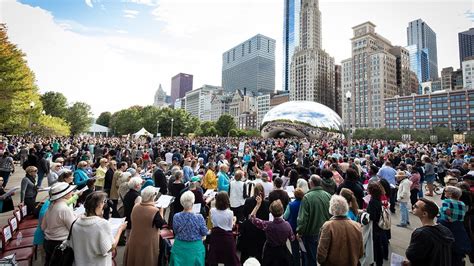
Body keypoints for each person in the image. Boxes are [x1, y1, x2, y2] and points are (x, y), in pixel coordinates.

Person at [70, 191, 127, 266]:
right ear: (99, 205)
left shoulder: (75, 223)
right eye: (104, 202)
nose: (105, 205)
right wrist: (120, 230)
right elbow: (111, 247)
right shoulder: (102, 224)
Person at [124, 186, 167, 266]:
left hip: (135, 239)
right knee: (147, 260)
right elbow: (162, 224)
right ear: (152, 197)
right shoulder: (154, 211)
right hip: (148, 243)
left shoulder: (136, 206)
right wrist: (161, 211)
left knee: (135, 260)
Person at [405, 198, 455, 266]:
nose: (413, 206)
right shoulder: (445, 230)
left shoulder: (421, 233)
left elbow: (411, 255)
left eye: (416, 206)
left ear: (424, 214)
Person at [317, 195, 364, 266]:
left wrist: (321, 261)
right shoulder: (356, 226)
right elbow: (360, 252)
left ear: (331, 208)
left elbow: (322, 252)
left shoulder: (328, 226)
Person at [297, 175, 331, 266]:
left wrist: (299, 231)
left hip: (311, 234)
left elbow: (303, 219)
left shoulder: (307, 197)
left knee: (311, 258)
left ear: (311, 183)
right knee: (324, 257)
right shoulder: (328, 196)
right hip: (325, 232)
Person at [249, 197, 294, 266]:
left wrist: (258, 205)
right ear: (282, 211)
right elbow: (292, 238)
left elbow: (251, 218)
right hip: (282, 251)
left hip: (270, 251)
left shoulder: (267, 225)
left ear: (271, 212)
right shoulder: (287, 225)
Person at [41, 182, 77, 266]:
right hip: (60, 244)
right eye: (70, 191)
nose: (72, 193)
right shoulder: (64, 209)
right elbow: (73, 229)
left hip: (48, 242)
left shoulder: (51, 206)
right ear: (65, 195)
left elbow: (43, 227)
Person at [170, 191, 208, 266]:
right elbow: (204, 232)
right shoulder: (199, 217)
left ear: (182, 203)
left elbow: (176, 231)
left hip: (179, 247)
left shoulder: (176, 216)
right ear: (193, 203)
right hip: (195, 248)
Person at [438, 186, 471, 265]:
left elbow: (447, 210)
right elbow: (464, 212)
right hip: (459, 225)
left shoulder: (447, 201)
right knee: (457, 243)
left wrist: (449, 218)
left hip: (446, 223)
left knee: (444, 243)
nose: (444, 193)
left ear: (450, 194)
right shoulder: (462, 203)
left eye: (445, 191)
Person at [208, 191, 240, 266]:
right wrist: (234, 220)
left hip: (215, 237)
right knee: (230, 260)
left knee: (214, 259)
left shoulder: (212, 211)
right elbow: (230, 226)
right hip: (227, 238)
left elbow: (212, 222)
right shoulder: (230, 213)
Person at [240, 183, 269, 263]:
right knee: (259, 253)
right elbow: (267, 217)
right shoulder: (267, 203)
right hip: (261, 230)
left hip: (249, 229)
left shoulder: (248, 201)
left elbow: (245, 214)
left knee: (246, 252)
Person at [283, 188, 305, 266]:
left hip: (293, 229)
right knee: (303, 248)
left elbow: (285, 216)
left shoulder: (291, 205)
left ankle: (297, 263)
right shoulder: (306, 204)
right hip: (303, 229)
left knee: (295, 249)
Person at [366, 182, 385, 266]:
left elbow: (372, 216)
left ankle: (374, 262)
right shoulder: (378, 199)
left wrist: (366, 213)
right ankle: (379, 262)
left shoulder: (372, 201)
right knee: (378, 245)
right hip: (379, 226)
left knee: (374, 246)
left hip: (374, 226)